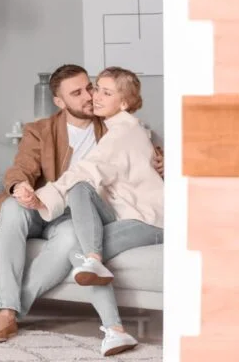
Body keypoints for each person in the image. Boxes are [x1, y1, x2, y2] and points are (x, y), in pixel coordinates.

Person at [0, 65, 163, 349]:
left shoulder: (108, 126)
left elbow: (134, 151)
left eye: (91, 88)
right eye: (78, 92)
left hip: (74, 214)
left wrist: (164, 159)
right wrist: (20, 188)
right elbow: (20, 169)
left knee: (75, 239)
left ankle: (5, 313)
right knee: (11, 208)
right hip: (38, 207)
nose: (89, 96)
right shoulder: (40, 130)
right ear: (59, 101)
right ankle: (8, 309)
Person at [33, 67, 164, 356]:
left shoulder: (123, 131)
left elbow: (89, 168)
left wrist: (45, 197)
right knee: (80, 190)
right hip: (126, 214)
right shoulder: (117, 129)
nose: (96, 96)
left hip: (150, 221)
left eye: (107, 92)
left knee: (79, 247)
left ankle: (114, 328)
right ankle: (113, 324)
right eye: (96, 88)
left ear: (125, 103)